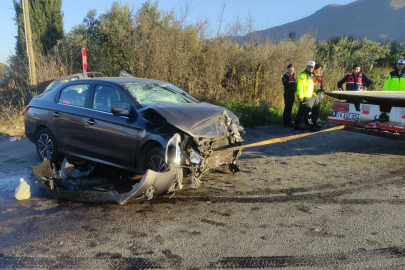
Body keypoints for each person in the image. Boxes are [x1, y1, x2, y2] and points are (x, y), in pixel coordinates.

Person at [293, 61, 319, 132]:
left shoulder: (310, 75)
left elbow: (309, 87)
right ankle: (310, 126)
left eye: (312, 67)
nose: (311, 68)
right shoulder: (303, 75)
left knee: (301, 112)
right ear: (306, 67)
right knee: (308, 113)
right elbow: (300, 86)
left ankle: (296, 125)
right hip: (304, 97)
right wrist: (300, 96)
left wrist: (312, 92)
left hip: (308, 96)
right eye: (309, 67)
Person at [311, 63, 325, 129]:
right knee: (309, 111)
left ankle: (314, 122)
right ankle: (310, 124)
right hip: (311, 95)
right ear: (315, 69)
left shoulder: (320, 76)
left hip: (318, 95)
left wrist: (323, 89)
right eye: (319, 69)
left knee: (316, 110)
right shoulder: (310, 76)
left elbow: (322, 85)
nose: (320, 70)